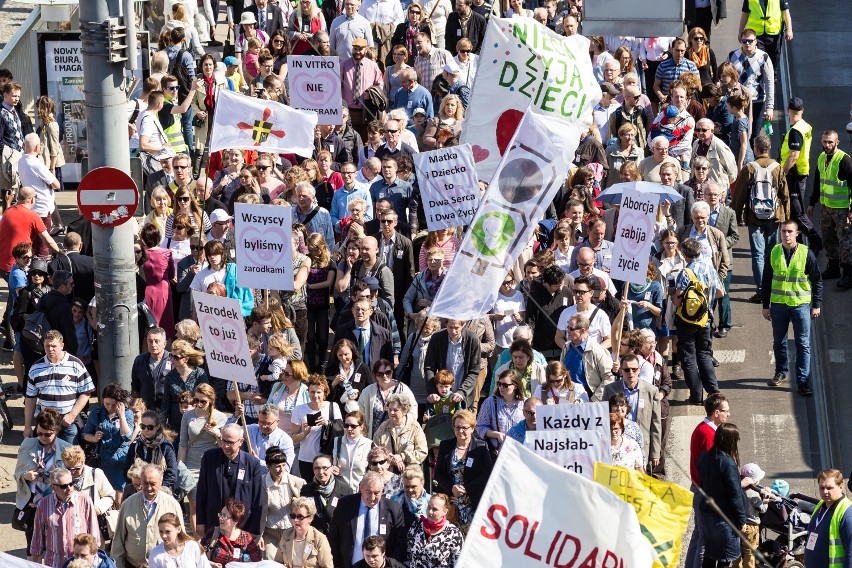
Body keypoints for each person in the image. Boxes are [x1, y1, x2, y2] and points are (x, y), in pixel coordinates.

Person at [762, 219, 822, 396]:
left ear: (797, 234)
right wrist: (766, 305)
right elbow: (766, 281)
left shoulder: (806, 253)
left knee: (803, 344)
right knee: (778, 342)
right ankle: (781, 372)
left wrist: (816, 304)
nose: (786, 235)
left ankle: (803, 381)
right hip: (779, 304)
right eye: (783, 231)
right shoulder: (774, 252)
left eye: (789, 231)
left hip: (800, 305)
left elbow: (817, 280)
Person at [732, 134, 789, 303]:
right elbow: (784, 195)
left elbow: (739, 196)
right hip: (774, 216)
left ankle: (761, 290)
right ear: (769, 149)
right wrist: (786, 219)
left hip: (754, 217)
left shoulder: (749, 168)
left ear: (755, 149)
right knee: (772, 253)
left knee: (757, 254)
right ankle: (772, 289)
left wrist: (735, 217)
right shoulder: (778, 168)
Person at [14, 408, 72, 561]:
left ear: (56, 431)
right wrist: (25, 476)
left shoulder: (66, 448)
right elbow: (17, 474)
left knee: (56, 542)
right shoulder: (27, 444)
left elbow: (74, 477)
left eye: (48, 434)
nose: (43, 437)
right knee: (33, 545)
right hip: (33, 503)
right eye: (40, 433)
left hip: (56, 502)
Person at [674, 237, 723, 405]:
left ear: (684, 253)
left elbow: (677, 301)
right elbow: (721, 293)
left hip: (686, 321)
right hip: (706, 320)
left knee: (689, 357)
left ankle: (696, 395)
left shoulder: (686, 273)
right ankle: (713, 390)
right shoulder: (709, 269)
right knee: (704, 354)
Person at [24, 329, 95, 443]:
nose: (50, 349)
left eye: (53, 346)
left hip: (67, 422)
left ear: (62, 345)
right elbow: (30, 399)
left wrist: (72, 415)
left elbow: (86, 392)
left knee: (68, 458)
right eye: (47, 346)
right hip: (45, 422)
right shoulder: (36, 368)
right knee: (44, 459)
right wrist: (27, 426)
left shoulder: (75, 364)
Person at [684, 392, 730, 568]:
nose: (728, 414)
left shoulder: (703, 429)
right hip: (705, 491)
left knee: (699, 535)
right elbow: (713, 468)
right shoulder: (708, 434)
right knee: (705, 540)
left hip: (699, 489)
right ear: (716, 412)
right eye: (725, 411)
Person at [196, 424, 264, 536]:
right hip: (214, 523)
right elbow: (202, 492)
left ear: (241, 442)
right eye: (224, 441)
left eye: (230, 443)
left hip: (241, 526)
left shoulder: (252, 463)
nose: (226, 446)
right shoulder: (209, 458)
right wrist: (200, 522)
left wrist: (254, 530)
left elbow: (257, 500)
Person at [178, 383, 229, 533]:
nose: (198, 404)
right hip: (190, 465)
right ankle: (197, 541)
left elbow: (224, 447)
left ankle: (212, 539)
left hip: (211, 466)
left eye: (203, 401)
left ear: (211, 401)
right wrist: (180, 466)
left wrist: (217, 433)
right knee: (194, 506)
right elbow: (183, 443)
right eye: (196, 400)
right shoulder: (188, 415)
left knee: (213, 505)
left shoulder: (220, 417)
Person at [328, 471, 406, 568]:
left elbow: (399, 544)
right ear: (361, 488)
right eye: (368, 492)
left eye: (377, 493)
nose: (372, 497)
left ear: (382, 490)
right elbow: (334, 537)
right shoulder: (345, 505)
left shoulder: (393, 509)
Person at [111, 464, 185, 568]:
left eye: (153, 484)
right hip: (133, 565)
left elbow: (181, 539)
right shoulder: (128, 504)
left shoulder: (172, 505)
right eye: (145, 483)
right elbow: (118, 540)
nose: (149, 488)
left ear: (161, 482)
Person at [696, 423, 747, 568]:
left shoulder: (705, 457)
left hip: (707, 513)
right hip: (724, 518)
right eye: (735, 440)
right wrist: (742, 519)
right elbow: (735, 495)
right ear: (730, 441)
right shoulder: (727, 463)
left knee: (710, 556)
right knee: (725, 559)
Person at [433, 410, 492, 533]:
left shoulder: (481, 447)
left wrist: (466, 488)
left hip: (473, 503)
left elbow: (486, 475)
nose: (460, 431)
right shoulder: (445, 446)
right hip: (451, 503)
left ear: (472, 428)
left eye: (464, 428)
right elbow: (438, 473)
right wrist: (451, 488)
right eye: (457, 427)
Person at [30, 467, 100, 567]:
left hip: (79, 564)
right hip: (54, 563)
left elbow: (94, 535)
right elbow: (38, 536)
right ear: (54, 488)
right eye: (64, 486)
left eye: (71, 484)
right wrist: (35, 563)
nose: (69, 488)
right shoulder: (43, 504)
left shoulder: (85, 500)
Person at [603, 354, 662, 471]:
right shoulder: (610, 390)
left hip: (641, 446)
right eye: (627, 370)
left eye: (634, 369)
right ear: (621, 371)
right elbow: (604, 418)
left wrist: (655, 452)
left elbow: (656, 423)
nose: (631, 373)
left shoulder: (651, 391)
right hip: (616, 446)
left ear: (639, 370)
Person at [808, 130, 852, 286]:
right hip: (826, 207)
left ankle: (848, 273)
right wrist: (812, 202)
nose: (827, 145)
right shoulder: (821, 158)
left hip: (842, 209)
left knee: (845, 240)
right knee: (828, 238)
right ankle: (833, 267)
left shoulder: (844, 160)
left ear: (837, 142)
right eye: (825, 141)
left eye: (830, 142)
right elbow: (817, 181)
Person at [81, 383, 134, 495]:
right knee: (101, 491)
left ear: (119, 403)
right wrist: (94, 438)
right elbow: (85, 434)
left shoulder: (128, 413)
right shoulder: (96, 413)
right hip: (102, 458)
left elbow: (127, 436)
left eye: (113, 404)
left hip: (120, 459)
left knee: (119, 491)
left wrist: (122, 415)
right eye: (107, 404)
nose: (110, 407)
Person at [289, 375, 342, 477]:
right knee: (310, 490)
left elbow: (340, 430)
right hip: (306, 459)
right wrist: (304, 433)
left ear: (324, 393)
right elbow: (293, 438)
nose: (315, 395)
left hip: (327, 459)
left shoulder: (333, 407)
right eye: (312, 392)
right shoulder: (299, 409)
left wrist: (328, 423)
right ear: (308, 392)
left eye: (319, 392)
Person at [423, 319, 481, 410]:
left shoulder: (472, 339)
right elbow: (429, 368)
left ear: (463, 324)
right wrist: (432, 391)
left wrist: (462, 391)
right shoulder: (437, 338)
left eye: (457, 328)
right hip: (441, 397)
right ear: (445, 324)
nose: (453, 331)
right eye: (450, 327)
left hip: (463, 396)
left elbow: (474, 370)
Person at [727, 28, 774, 141]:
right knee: (737, 132)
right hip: (737, 100)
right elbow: (726, 76)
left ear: (755, 41)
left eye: (750, 41)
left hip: (756, 101)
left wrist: (769, 107)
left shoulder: (764, 57)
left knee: (754, 134)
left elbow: (769, 82)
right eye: (744, 41)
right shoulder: (733, 55)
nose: (747, 44)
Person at [804, 469, 852, 568]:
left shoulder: (847, 514)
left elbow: (851, 554)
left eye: (830, 488)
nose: (825, 492)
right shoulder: (820, 506)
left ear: (841, 486)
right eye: (822, 488)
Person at [162, 339, 209, 434]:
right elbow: (166, 403)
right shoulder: (170, 377)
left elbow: (207, 399)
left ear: (186, 359)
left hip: (197, 422)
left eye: (176, 357)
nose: (172, 360)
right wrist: (162, 427)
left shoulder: (199, 374)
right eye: (171, 356)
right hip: (176, 424)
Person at [124, 410, 179, 491]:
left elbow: (172, 474)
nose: (146, 430)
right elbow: (127, 470)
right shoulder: (135, 446)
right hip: (138, 490)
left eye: (150, 427)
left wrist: (155, 488)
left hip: (160, 490)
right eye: (143, 426)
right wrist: (137, 486)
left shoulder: (166, 446)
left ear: (157, 427)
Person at [405, 492, 464, 567]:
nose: (430, 512)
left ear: (445, 511)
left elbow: (458, 563)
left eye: (435, 509)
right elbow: (408, 554)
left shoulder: (453, 533)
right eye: (429, 507)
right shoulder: (416, 525)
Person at [372, 394, 428, 472]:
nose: (391, 412)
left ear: (404, 411)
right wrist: (391, 458)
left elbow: (422, 452)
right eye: (390, 409)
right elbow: (375, 450)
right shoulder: (383, 427)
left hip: (409, 473)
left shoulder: (414, 427)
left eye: (395, 410)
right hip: (387, 473)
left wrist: (402, 456)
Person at [273, 496, 334, 567]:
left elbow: (327, 566)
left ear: (310, 518)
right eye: (293, 516)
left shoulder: (320, 539)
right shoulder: (286, 535)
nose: (295, 520)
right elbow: (277, 563)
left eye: (300, 517)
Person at [302, 453, 354, 535]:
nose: (321, 472)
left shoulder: (346, 490)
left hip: (338, 537)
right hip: (315, 537)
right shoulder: (306, 490)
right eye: (317, 468)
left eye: (325, 468)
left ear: (332, 468)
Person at [200, 498, 263, 566]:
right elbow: (199, 558)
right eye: (220, 514)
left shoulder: (246, 538)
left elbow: (257, 562)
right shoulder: (212, 533)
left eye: (224, 516)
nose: (220, 518)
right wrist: (212, 564)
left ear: (235, 521)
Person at [738, 0, 792, 69]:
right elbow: (745, 13)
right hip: (755, 35)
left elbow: (785, 12)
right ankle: (758, 77)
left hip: (774, 34)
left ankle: (773, 78)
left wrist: (789, 30)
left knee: (773, 61)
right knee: (757, 60)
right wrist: (740, 32)